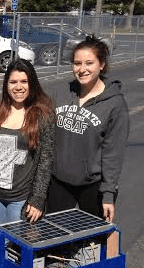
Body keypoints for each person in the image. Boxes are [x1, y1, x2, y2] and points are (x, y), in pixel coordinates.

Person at [0, 59, 55, 268]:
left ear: (32, 83)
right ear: (6, 84)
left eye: (24, 81)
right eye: (13, 81)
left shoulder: (41, 116)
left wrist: (37, 199)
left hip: (22, 198)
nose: (18, 87)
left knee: (18, 246)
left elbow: (45, 160)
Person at [46, 36, 130, 223]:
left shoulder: (115, 104)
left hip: (93, 187)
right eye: (77, 63)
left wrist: (108, 194)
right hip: (59, 183)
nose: (82, 69)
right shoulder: (61, 93)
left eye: (89, 63)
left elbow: (113, 153)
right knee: (55, 241)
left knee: (91, 244)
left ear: (102, 64)